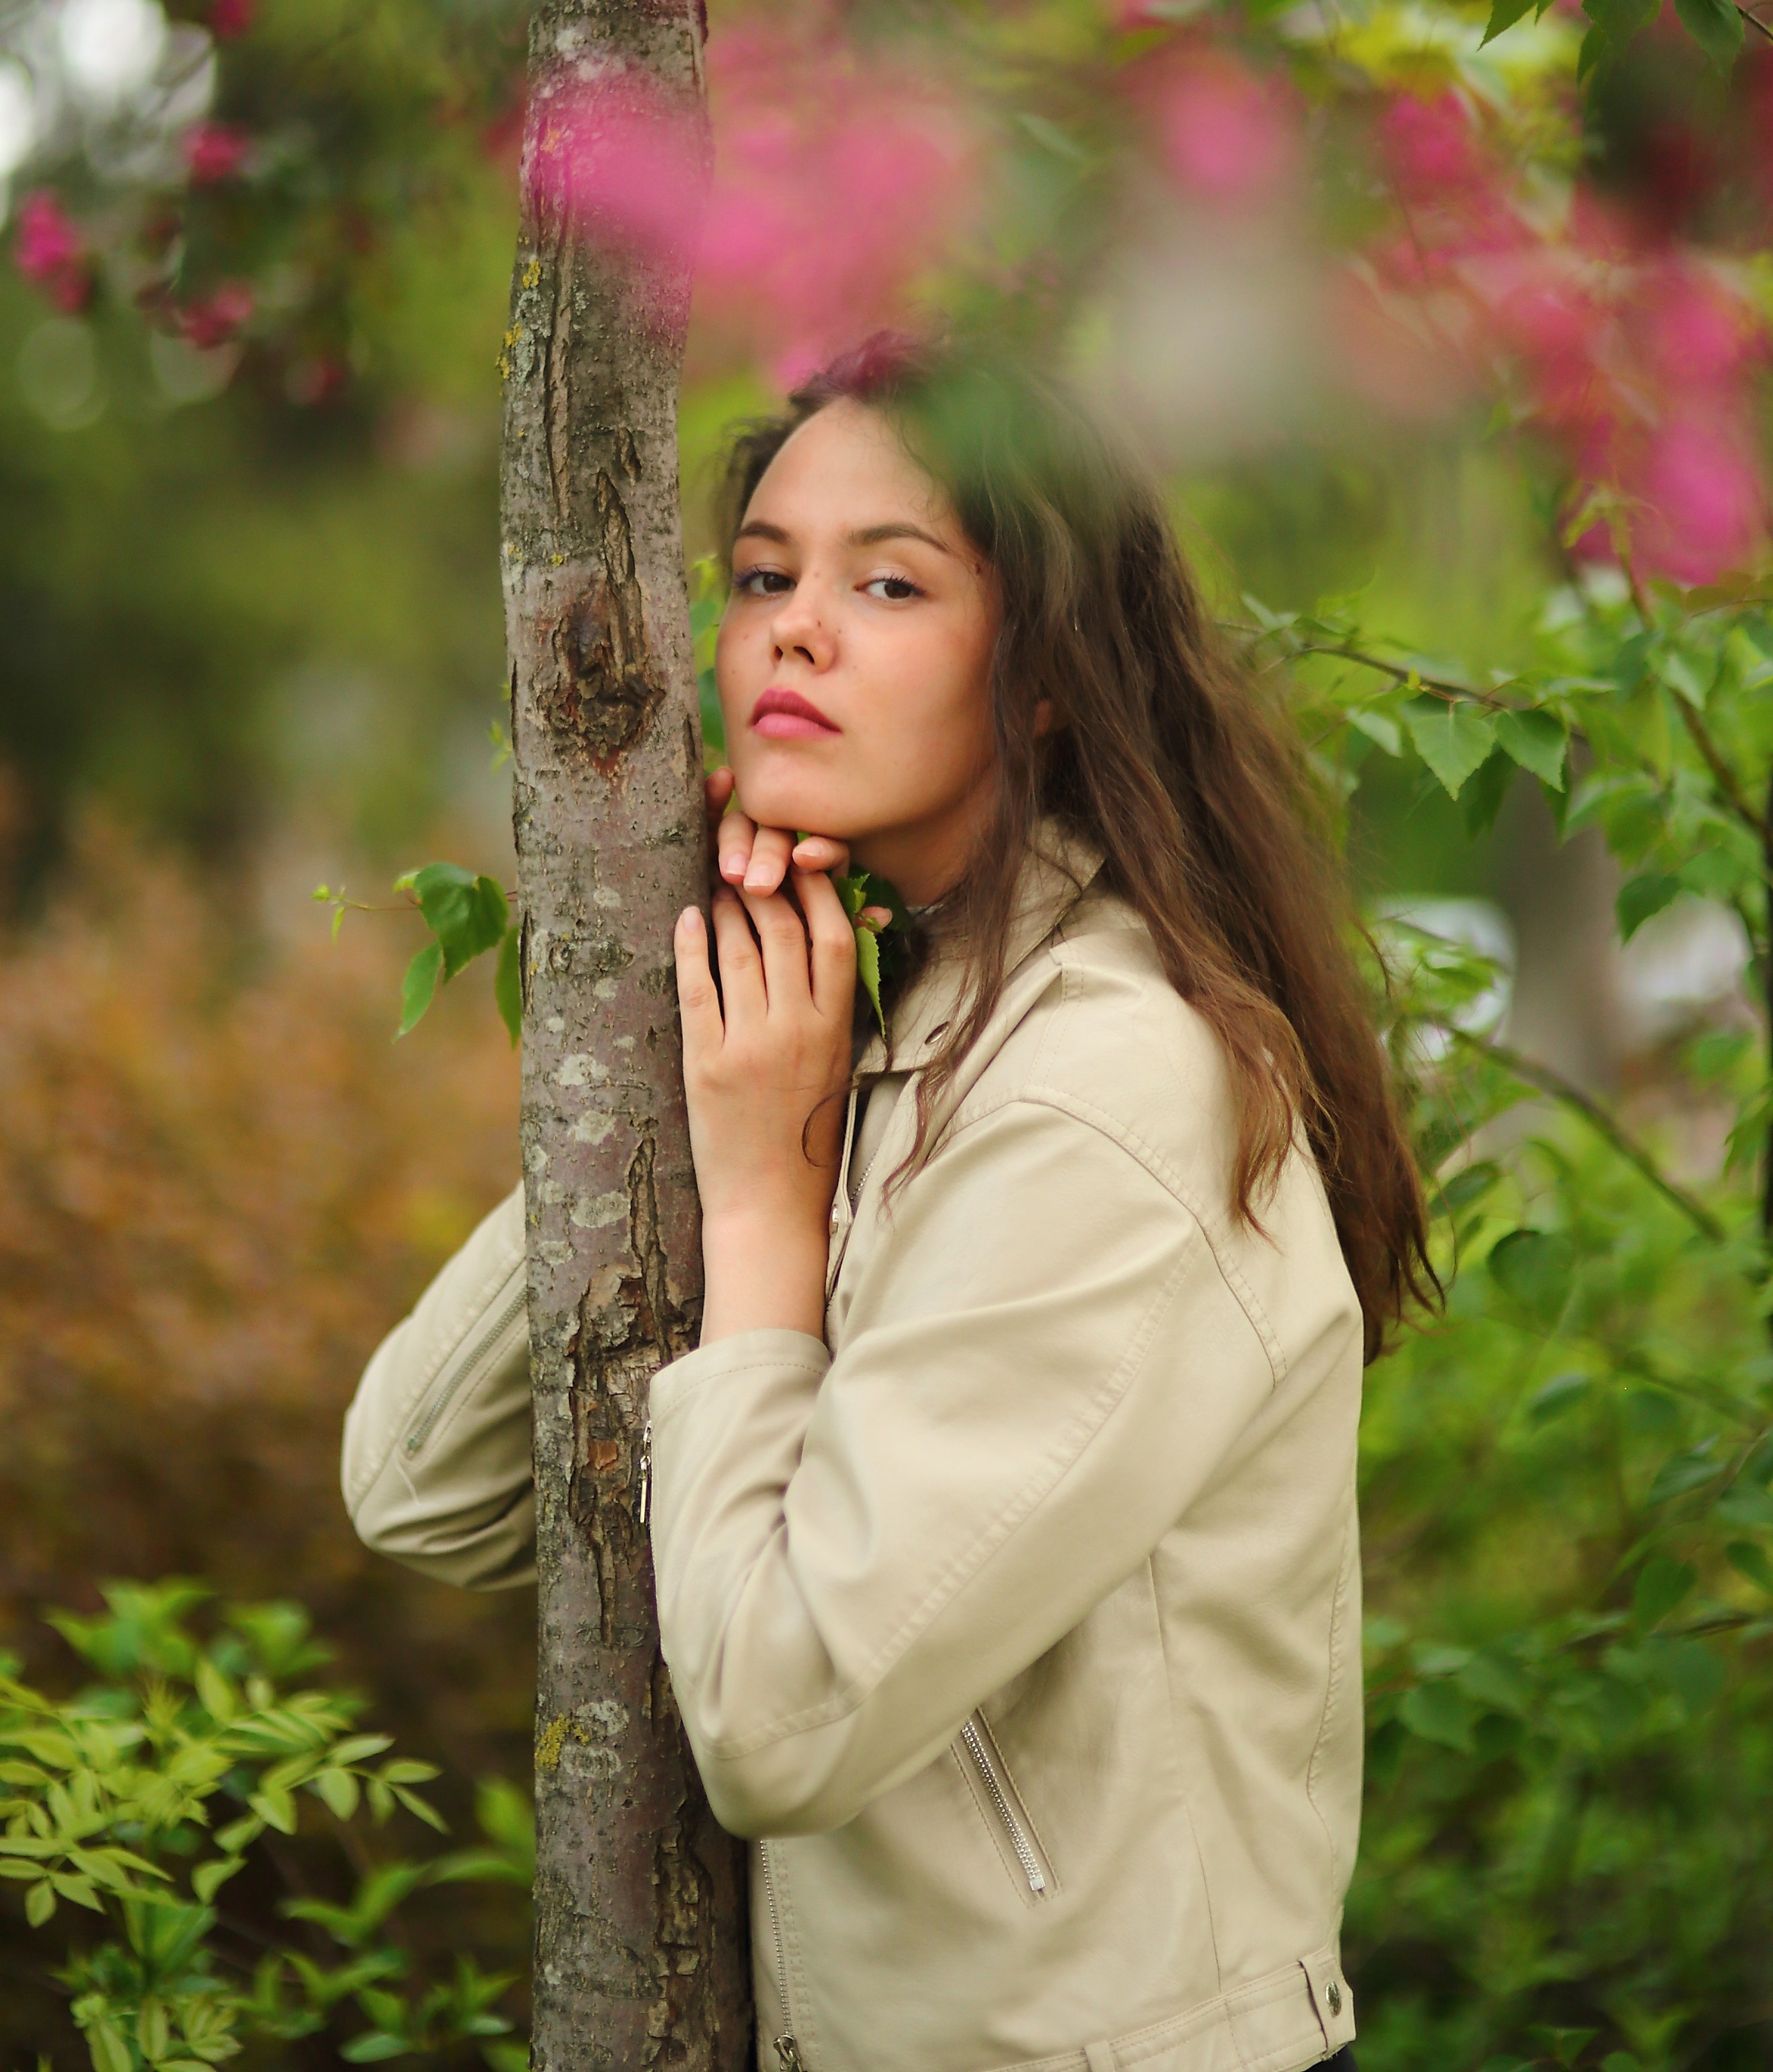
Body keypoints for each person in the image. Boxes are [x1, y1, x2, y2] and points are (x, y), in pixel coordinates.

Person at [342, 331, 1432, 2072]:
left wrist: (765, 1221)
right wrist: (664, 1073)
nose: (794, 625)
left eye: (892, 581)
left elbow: (779, 1720)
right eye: (763, 574)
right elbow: (422, 1488)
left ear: (1052, 671)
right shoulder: (880, 1021)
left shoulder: (1107, 1089)